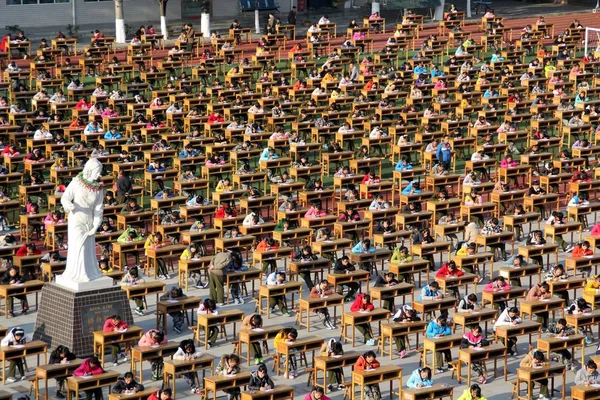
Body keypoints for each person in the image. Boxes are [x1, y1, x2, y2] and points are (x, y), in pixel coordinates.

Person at [60, 158, 105, 284]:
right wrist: (69, 206)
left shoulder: (99, 189)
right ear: (90, 170)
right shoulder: (76, 183)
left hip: (89, 220)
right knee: (79, 246)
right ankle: (78, 273)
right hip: (76, 218)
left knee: (88, 247)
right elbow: (65, 198)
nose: (99, 174)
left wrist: (96, 225)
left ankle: (89, 271)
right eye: (97, 171)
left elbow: (98, 208)